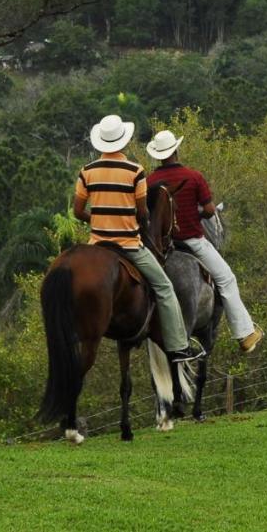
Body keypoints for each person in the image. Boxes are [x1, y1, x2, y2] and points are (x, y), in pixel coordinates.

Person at [73, 115, 204, 364]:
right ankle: (178, 347)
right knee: (165, 288)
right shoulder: (135, 171)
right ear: (123, 141)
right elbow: (143, 213)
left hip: (97, 244)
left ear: (101, 142)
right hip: (128, 246)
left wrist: (99, 219)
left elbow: (77, 212)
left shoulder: (86, 171)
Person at [146, 129, 264, 354]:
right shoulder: (193, 177)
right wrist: (197, 213)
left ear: (158, 155)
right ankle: (245, 334)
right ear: (176, 150)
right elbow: (210, 210)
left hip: (159, 248)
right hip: (191, 241)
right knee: (227, 279)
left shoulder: (149, 181)